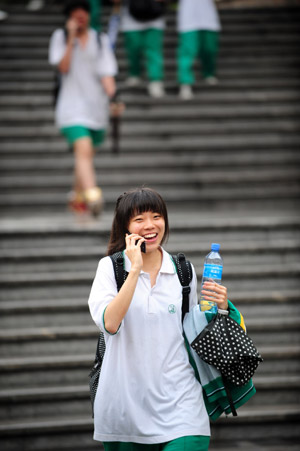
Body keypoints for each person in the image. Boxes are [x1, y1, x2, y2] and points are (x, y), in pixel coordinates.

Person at [88, 187, 230, 450]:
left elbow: (191, 328)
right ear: (125, 227)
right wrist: (135, 271)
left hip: (181, 402)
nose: (150, 225)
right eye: (139, 219)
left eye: (156, 216)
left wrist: (221, 307)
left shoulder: (183, 270)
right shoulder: (109, 269)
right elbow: (110, 323)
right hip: (124, 408)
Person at [48, 0, 117, 216]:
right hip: (70, 107)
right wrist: (70, 38)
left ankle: (76, 196)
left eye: (83, 14)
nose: (80, 18)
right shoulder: (60, 38)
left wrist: (114, 97)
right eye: (75, 15)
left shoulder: (100, 39)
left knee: (84, 156)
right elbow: (63, 66)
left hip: (96, 107)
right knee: (84, 148)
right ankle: (93, 196)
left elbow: (107, 73)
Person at [111, 0, 166, 98]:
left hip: (154, 17)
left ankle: (155, 80)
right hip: (131, 19)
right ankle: (134, 73)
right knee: (133, 49)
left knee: (154, 52)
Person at [177, 0, 221, 100]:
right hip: (188, 18)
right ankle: (185, 82)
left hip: (208, 18)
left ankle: (209, 72)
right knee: (187, 52)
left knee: (209, 49)